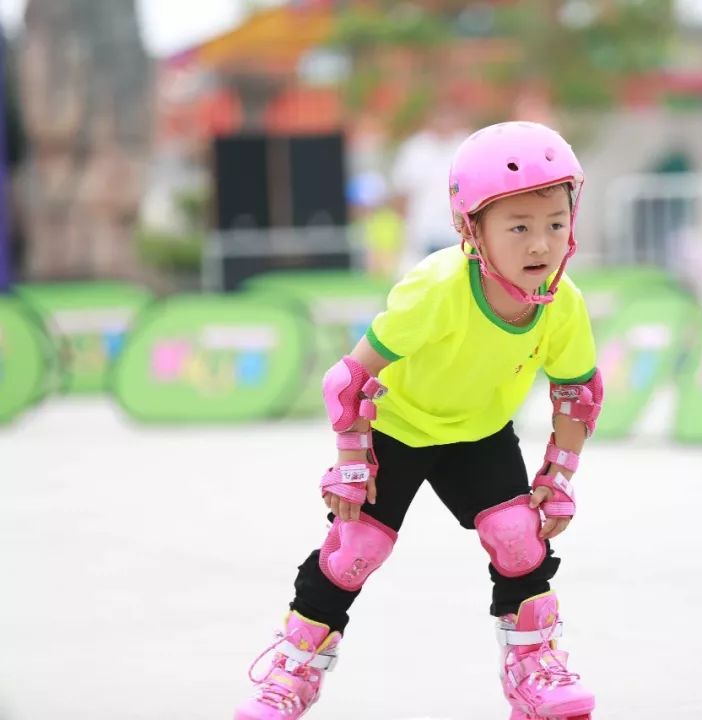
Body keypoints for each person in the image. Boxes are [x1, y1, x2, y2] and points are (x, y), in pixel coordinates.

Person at [234, 121, 603, 720]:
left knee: (518, 540)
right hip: (397, 428)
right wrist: (351, 462)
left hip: (478, 433)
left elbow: (576, 395)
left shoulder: (565, 306)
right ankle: (289, 677)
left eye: (555, 225)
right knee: (355, 548)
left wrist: (557, 481)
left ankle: (535, 676)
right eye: (519, 227)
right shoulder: (436, 288)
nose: (541, 244)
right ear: (470, 229)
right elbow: (348, 379)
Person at [389, 103, 469, 277]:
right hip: (423, 232)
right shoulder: (415, 149)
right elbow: (401, 194)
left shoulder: (466, 146)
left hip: (458, 233)